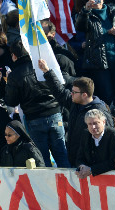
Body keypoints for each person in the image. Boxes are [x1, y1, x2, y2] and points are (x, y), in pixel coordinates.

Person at [5, 40, 69, 168]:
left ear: (14, 55)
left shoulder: (15, 75)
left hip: (34, 119)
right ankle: (69, 186)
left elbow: (11, 101)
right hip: (55, 114)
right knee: (62, 154)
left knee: (42, 158)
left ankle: (48, 187)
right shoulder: (44, 64)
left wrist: (9, 83)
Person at [38, 62, 112, 167]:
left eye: (74, 92)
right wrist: (47, 71)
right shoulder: (76, 103)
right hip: (75, 161)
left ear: (84, 95)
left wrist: (93, 167)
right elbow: (60, 92)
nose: (71, 94)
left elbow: (106, 143)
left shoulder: (100, 112)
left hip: (90, 167)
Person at [75, 0, 115, 103]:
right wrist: (85, 11)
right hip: (99, 63)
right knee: (107, 95)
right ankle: (110, 117)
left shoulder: (113, 12)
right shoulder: (87, 14)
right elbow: (79, 26)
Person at [72, 109, 115, 178]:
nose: (93, 127)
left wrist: (92, 170)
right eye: (90, 124)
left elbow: (114, 161)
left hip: (111, 179)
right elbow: (80, 157)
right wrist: (81, 166)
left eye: (96, 123)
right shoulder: (85, 135)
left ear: (104, 122)